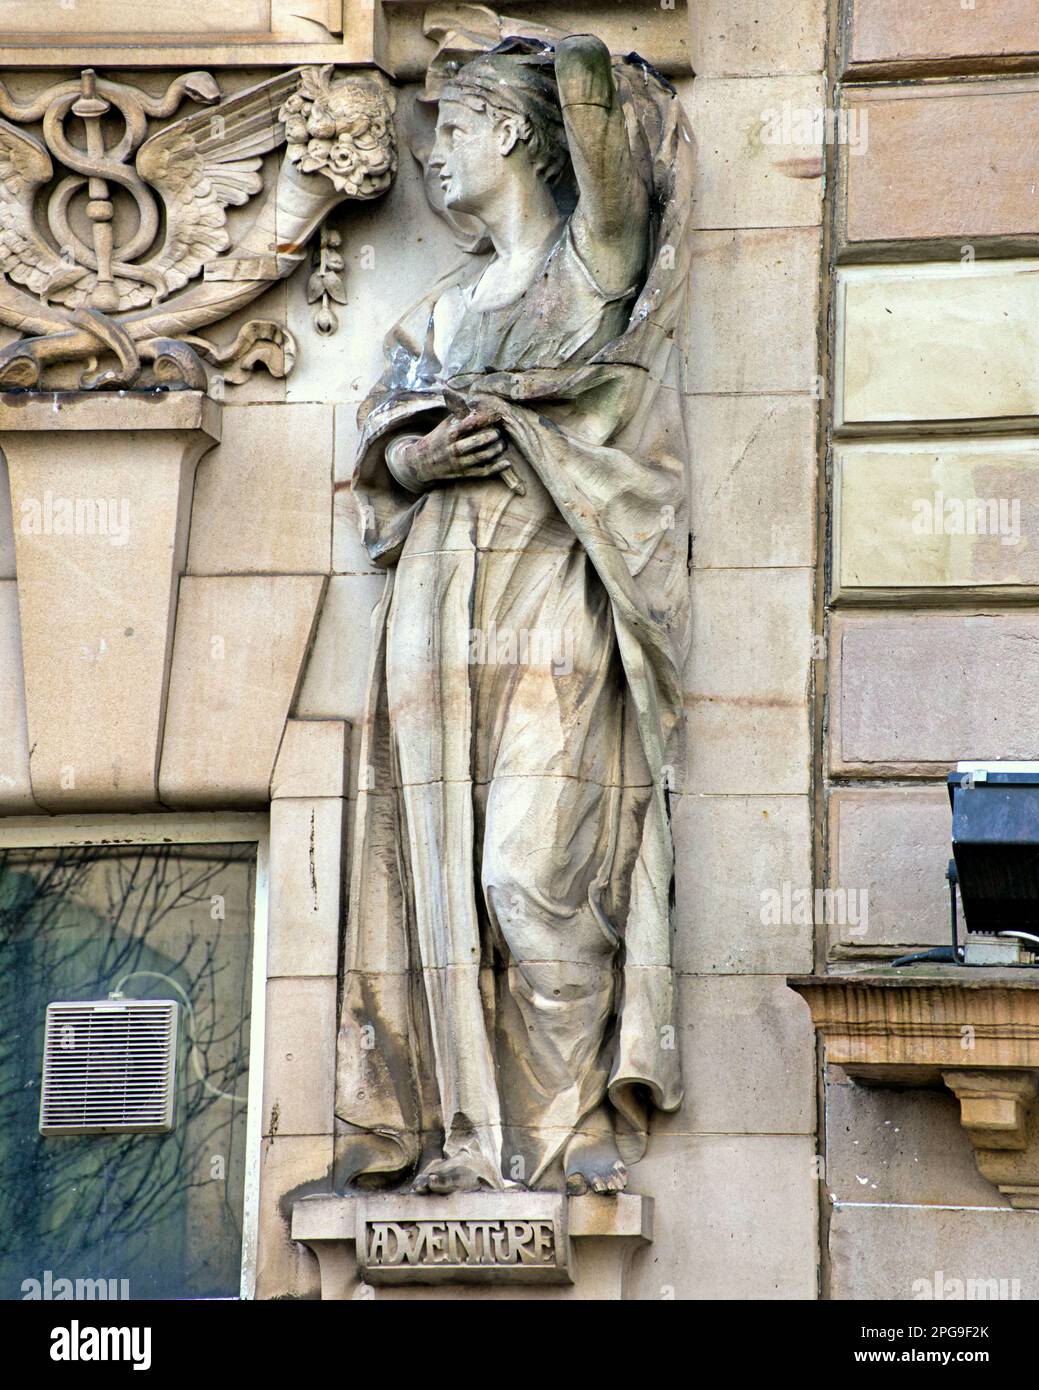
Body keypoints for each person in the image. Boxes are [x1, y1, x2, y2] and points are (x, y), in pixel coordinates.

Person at [336, 34, 691, 1196]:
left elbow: (603, 133)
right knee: (433, 863)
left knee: (525, 875)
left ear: (513, 132)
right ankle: (461, 1140)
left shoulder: (588, 270)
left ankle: (557, 1119)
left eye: (452, 125)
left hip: (550, 580)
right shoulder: (440, 314)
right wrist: (416, 455)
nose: (430, 152)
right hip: (440, 593)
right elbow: (378, 449)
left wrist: (564, 52)